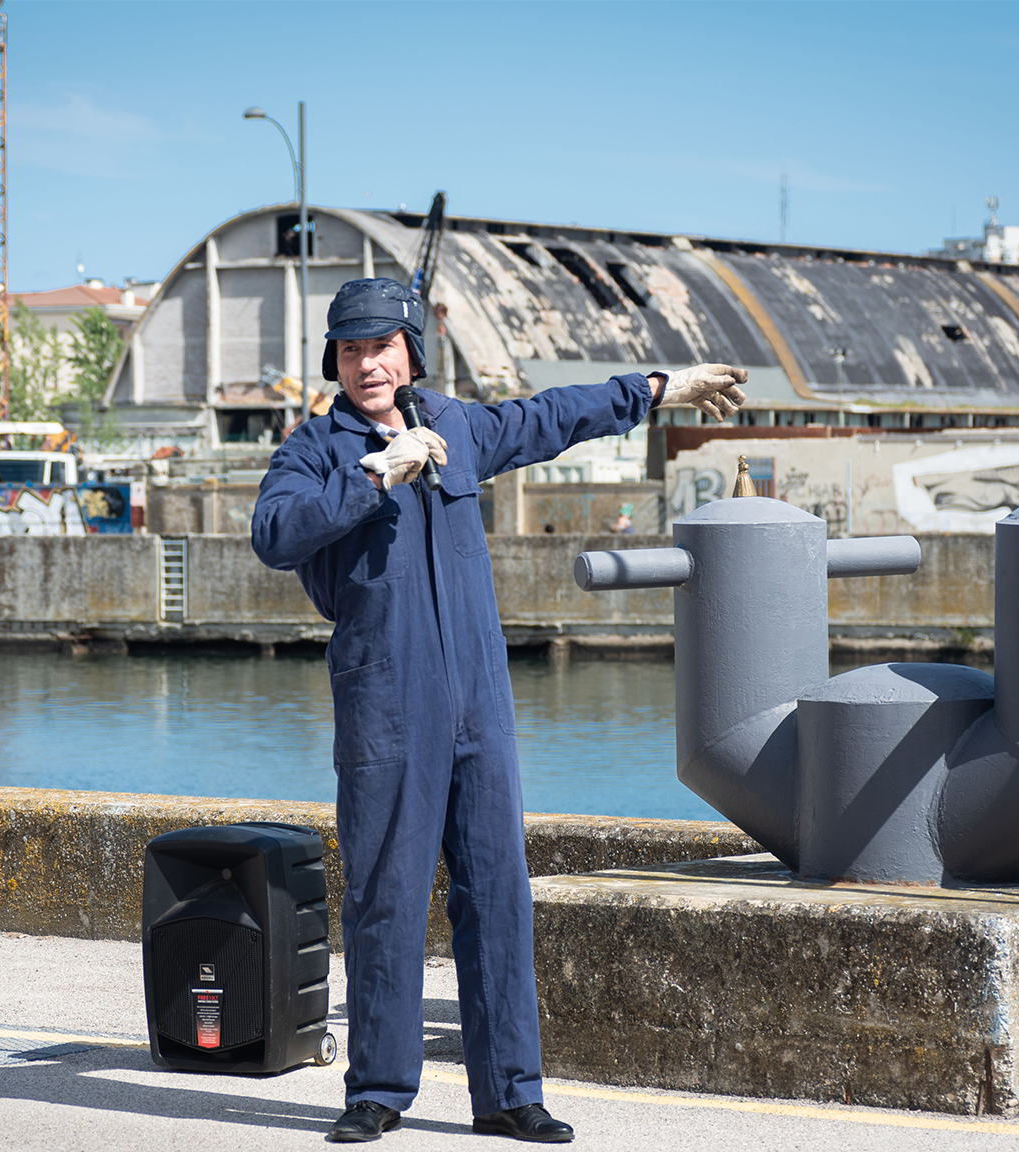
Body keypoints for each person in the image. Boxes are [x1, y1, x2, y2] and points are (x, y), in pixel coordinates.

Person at [252, 278, 746, 1144]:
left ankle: (509, 1092)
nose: (367, 365)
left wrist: (660, 389)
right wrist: (376, 475)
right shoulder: (313, 451)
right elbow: (275, 535)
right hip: (386, 703)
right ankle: (376, 1090)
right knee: (385, 898)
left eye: (381, 347)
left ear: (410, 350)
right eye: (349, 351)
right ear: (333, 362)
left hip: (479, 700)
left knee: (497, 895)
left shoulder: (459, 428)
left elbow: (552, 415)